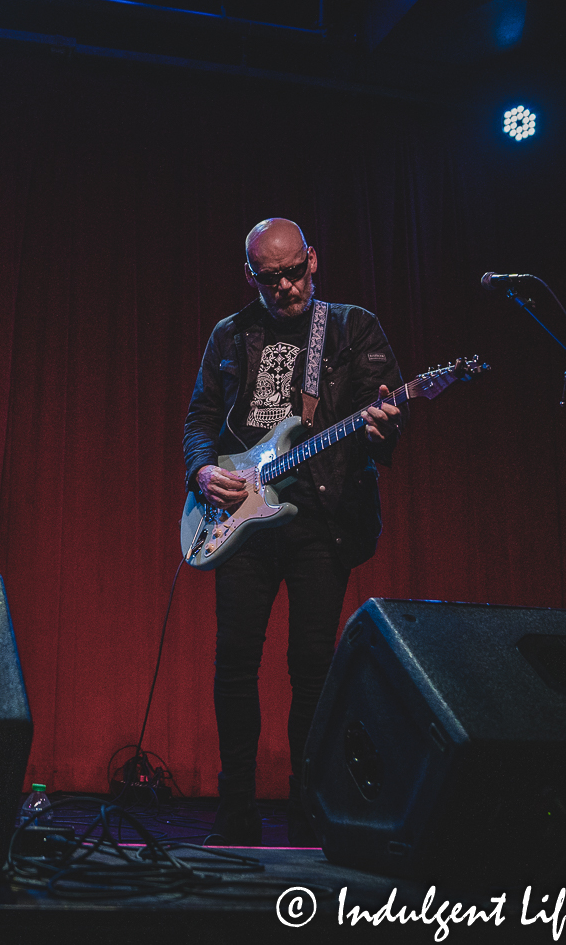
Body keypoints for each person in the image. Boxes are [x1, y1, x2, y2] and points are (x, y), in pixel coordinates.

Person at [182, 217, 402, 845]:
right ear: (249, 276)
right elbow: (200, 415)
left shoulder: (352, 327)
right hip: (242, 516)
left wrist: (387, 423)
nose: (284, 288)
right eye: (269, 278)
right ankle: (235, 809)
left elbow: (381, 415)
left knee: (311, 668)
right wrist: (202, 471)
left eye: (294, 273)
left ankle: (308, 808)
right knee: (234, 665)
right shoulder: (231, 334)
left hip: (322, 521)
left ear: (313, 260)